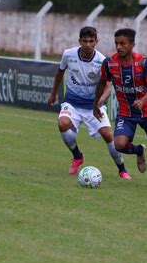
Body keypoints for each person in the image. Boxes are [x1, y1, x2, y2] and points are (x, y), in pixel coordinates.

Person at [93, 28, 147, 189]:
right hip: (126, 112)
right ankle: (139, 150)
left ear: (132, 44)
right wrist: (96, 103)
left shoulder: (143, 63)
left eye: (122, 43)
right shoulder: (109, 63)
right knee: (119, 145)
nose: (118, 47)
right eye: (116, 43)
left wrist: (143, 100)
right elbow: (102, 82)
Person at [48, 26, 130, 179]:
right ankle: (77, 156)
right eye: (84, 41)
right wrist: (53, 93)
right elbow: (60, 72)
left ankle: (122, 169)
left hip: (93, 106)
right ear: (79, 41)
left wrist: (101, 100)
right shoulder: (68, 54)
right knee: (62, 123)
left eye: (91, 41)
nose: (87, 44)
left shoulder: (102, 60)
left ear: (96, 42)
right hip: (72, 103)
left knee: (107, 135)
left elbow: (108, 85)